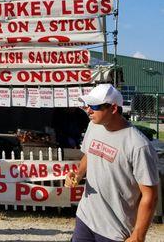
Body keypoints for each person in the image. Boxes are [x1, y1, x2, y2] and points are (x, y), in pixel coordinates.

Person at [65, 84, 159, 242]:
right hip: (85, 217)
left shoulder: (138, 145)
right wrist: (78, 173)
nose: (88, 110)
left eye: (94, 106)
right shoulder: (93, 126)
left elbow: (150, 196)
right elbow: (90, 153)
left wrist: (138, 236)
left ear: (113, 108)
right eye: (87, 105)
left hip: (115, 230)